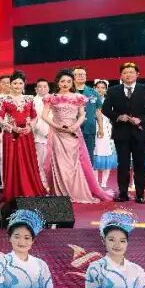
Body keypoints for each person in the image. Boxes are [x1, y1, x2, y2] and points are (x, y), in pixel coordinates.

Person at [42, 70, 111, 204]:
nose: (65, 84)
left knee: (74, 164)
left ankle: (75, 191)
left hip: (73, 134)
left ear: (72, 82)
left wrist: (74, 127)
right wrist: (56, 126)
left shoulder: (78, 97)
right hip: (57, 134)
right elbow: (44, 116)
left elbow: (82, 115)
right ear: (57, 82)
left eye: (68, 81)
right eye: (62, 81)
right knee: (59, 164)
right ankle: (61, 192)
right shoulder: (51, 97)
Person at [101, 62, 145, 203]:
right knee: (123, 164)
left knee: (139, 163)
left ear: (137, 74)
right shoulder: (113, 90)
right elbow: (105, 109)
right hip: (121, 132)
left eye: (131, 72)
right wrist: (118, 117)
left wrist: (141, 119)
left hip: (140, 132)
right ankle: (123, 193)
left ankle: (140, 194)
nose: (128, 75)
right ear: (121, 75)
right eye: (125, 72)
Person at [0, 72, 46, 203]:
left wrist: (30, 127)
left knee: (27, 161)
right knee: (12, 162)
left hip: (26, 135)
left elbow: (34, 116)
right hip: (11, 135)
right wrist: (12, 128)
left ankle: (30, 189)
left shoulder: (29, 99)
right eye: (15, 83)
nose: (17, 86)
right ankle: (12, 192)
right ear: (10, 84)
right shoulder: (4, 99)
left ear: (24, 84)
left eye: (20, 83)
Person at [92, 80, 118, 189]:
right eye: (98, 87)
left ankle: (104, 183)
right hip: (93, 130)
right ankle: (95, 183)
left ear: (106, 89)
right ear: (94, 88)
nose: (100, 90)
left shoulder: (110, 101)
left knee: (107, 156)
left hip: (107, 131)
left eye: (103, 88)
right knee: (94, 156)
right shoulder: (90, 100)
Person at [73, 67, 102, 159]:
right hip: (72, 129)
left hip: (89, 128)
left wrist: (101, 127)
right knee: (73, 155)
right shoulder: (69, 92)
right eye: (78, 74)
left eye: (83, 74)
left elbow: (98, 111)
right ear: (73, 77)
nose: (81, 76)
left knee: (89, 155)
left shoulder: (93, 92)